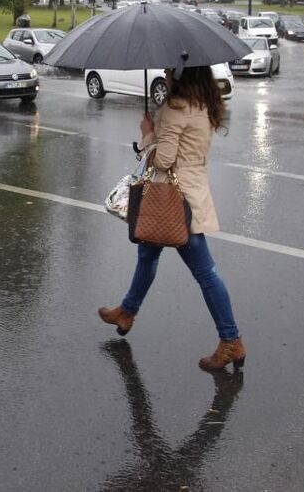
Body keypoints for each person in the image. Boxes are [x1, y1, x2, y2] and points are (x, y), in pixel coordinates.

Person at [98, 65, 245, 371]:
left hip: (175, 204)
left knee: (205, 273)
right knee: (147, 254)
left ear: (181, 75)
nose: (165, 73)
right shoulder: (202, 104)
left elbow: (164, 160)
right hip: (189, 194)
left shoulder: (176, 109)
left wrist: (148, 134)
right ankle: (127, 310)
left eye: (169, 69)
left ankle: (231, 340)